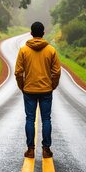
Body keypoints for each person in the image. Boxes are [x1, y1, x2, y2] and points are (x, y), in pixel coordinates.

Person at [15, 22, 61, 159]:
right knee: (46, 119)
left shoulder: (23, 50)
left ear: (31, 33)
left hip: (29, 90)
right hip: (46, 90)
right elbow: (57, 72)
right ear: (43, 33)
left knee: (30, 119)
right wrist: (52, 85)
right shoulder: (51, 50)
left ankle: (30, 150)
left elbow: (18, 72)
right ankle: (46, 150)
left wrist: (22, 86)